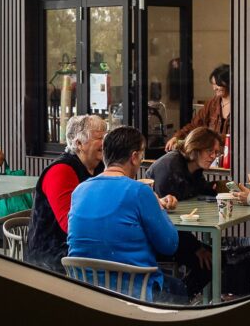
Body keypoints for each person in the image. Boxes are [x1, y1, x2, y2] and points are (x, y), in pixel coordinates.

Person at [66, 126, 185, 303]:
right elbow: (170, 244)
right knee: (178, 287)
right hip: (133, 291)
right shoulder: (139, 191)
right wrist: (157, 205)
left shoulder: (79, 190)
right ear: (134, 157)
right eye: (142, 155)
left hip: (84, 289)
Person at [145, 127, 222, 296]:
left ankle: (181, 297)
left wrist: (219, 190)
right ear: (195, 148)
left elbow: (199, 188)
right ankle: (178, 299)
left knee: (215, 258)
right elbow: (165, 219)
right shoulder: (171, 166)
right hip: (156, 237)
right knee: (211, 260)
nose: (213, 156)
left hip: (174, 232)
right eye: (210, 151)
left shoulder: (193, 167)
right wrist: (196, 248)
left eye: (216, 152)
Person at [26, 115, 106, 273]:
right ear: (79, 144)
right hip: (51, 259)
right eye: (99, 138)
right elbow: (70, 225)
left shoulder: (100, 167)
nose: (105, 143)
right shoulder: (61, 171)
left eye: (106, 137)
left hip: (81, 247)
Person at [164, 63, 231, 152]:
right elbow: (194, 125)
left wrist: (214, 137)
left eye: (217, 84)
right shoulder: (212, 104)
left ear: (229, 83)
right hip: (212, 154)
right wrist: (177, 137)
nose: (214, 88)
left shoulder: (241, 106)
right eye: (213, 84)